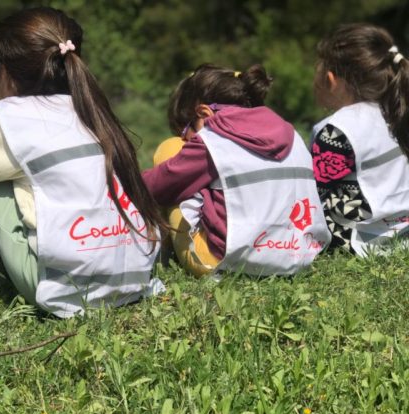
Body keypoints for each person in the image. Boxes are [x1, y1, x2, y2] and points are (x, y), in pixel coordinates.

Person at [0, 6, 165, 317]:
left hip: (63, 285)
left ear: (4, 73)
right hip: (130, 278)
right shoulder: (94, 114)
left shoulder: (13, 122)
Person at [143, 64, 330, 276]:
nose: (187, 140)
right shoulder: (293, 135)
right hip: (300, 254)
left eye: (186, 131)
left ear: (204, 113)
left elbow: (152, 188)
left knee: (171, 149)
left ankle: (159, 251)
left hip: (229, 261)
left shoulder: (212, 140)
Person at [311, 23, 409, 256]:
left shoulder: (336, 130)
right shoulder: (396, 111)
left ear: (331, 79)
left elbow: (312, 196)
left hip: (361, 244)